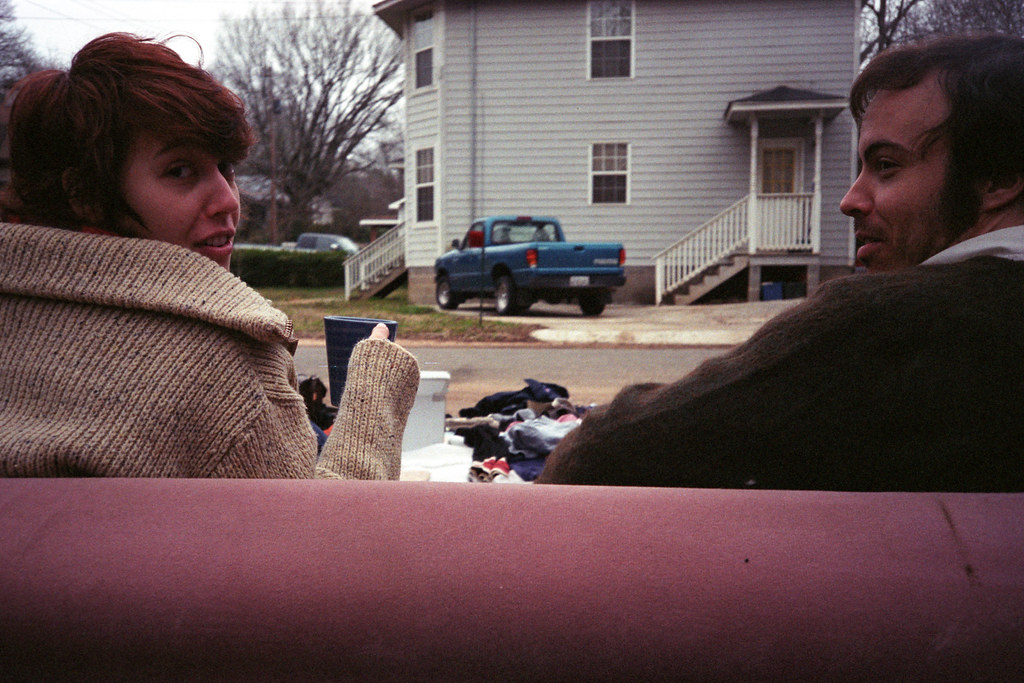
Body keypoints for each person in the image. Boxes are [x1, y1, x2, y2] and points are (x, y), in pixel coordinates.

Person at [538, 33, 1024, 491]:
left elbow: (607, 450)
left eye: (886, 166)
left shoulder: (890, 323)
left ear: (999, 177)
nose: (849, 200)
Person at [0, 33, 420, 478]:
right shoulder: (223, 365)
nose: (227, 200)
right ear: (84, 193)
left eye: (226, 168)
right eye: (180, 171)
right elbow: (326, 539)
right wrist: (375, 393)